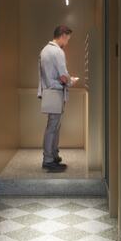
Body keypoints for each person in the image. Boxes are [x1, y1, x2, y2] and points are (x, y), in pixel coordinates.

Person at [37, 25, 79, 173]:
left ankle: (53, 155)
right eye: (67, 39)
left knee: (53, 126)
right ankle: (48, 159)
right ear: (62, 35)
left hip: (49, 91)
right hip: (56, 92)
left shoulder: (44, 50)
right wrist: (71, 80)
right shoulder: (57, 51)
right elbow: (63, 76)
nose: (67, 42)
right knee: (53, 127)